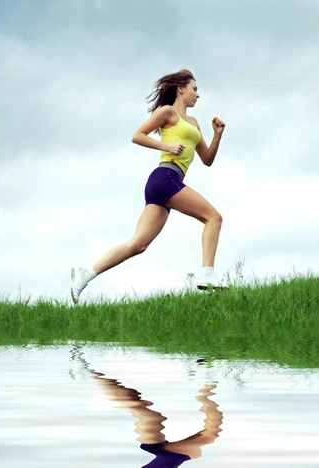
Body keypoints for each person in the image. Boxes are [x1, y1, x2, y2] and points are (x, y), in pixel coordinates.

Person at [70, 69, 227, 304]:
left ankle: (85, 274)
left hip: (166, 183)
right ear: (180, 89)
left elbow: (207, 159)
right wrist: (168, 147)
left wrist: (217, 135)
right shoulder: (168, 112)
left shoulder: (194, 123)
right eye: (195, 89)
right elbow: (138, 135)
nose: (198, 94)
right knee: (213, 217)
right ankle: (207, 274)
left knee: (138, 244)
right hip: (165, 177)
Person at [69, 347, 223, 468]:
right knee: (142, 409)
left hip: (167, 456)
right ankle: (207, 377)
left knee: (139, 406)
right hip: (165, 455)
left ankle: (207, 378)